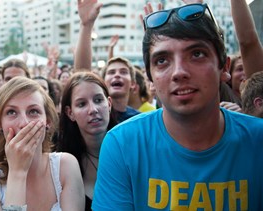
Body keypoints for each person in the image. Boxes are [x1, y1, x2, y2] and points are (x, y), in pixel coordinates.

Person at [93, 2, 263, 210]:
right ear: (151, 78)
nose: (179, 72)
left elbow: (249, 42)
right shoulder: (122, 145)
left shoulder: (258, 141)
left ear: (224, 67)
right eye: (162, 60)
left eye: (197, 54)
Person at [0, 76, 85, 210]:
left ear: (48, 121)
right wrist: (17, 173)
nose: (24, 123)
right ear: (0, 124)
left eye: (33, 111)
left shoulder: (66, 166)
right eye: (11, 112)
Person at [57, 72, 117, 211]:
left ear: (109, 103)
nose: (93, 110)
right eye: (82, 104)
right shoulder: (60, 165)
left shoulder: (132, 149)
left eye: (98, 100)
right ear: (70, 113)